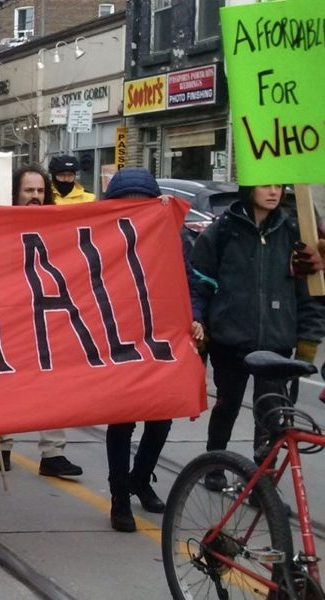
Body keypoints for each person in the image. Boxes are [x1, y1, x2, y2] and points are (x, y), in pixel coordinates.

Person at [192, 182, 325, 494]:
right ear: (249, 189)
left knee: (273, 418)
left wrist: (307, 346)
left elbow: (310, 293)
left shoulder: (295, 233)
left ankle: (261, 485)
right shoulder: (222, 232)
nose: (273, 191)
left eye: (278, 186)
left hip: (277, 344)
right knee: (227, 407)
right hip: (230, 341)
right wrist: (201, 326)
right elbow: (199, 283)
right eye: (265, 185)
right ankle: (215, 464)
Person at [100, 167, 201, 532]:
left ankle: (139, 477)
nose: (134, 209)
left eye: (141, 204)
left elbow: (190, 282)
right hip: (120, 341)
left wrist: (196, 317)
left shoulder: (174, 237)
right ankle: (119, 497)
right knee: (122, 421)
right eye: (126, 204)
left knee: (160, 418)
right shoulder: (101, 238)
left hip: (161, 341)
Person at [0, 166, 81, 478]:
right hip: (5, 313)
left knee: (53, 383)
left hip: (45, 314)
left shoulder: (58, 224)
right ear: (15, 192)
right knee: (4, 382)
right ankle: (0, 447)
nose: (35, 197)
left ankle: (53, 453)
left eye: (40, 191)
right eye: (29, 191)